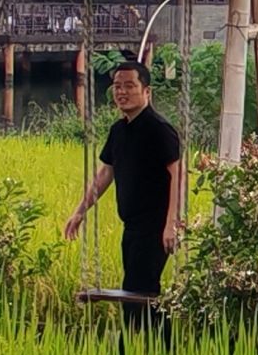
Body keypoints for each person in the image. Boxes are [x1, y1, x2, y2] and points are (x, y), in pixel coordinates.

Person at [64, 58, 182, 338]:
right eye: (117, 86)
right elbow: (105, 174)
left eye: (130, 85)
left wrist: (171, 223)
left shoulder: (158, 129)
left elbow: (179, 175)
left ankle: (129, 353)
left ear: (147, 92)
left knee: (136, 291)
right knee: (144, 293)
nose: (122, 92)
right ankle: (163, 353)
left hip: (154, 227)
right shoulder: (119, 130)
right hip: (132, 226)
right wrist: (80, 210)